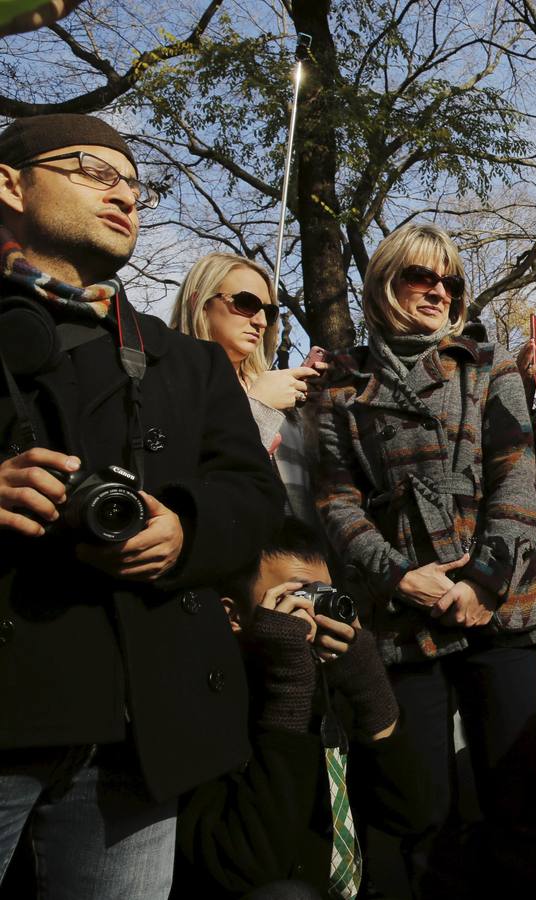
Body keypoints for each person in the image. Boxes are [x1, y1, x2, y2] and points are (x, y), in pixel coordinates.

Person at [0, 113, 283, 896]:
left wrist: (184, 532)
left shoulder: (183, 359)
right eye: (94, 170)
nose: (123, 195)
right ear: (9, 182)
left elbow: (254, 495)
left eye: (135, 184)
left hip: (140, 730)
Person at [309, 222, 536, 895]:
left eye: (449, 279)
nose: (438, 290)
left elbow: (516, 483)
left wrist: (483, 581)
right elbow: (335, 502)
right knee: (418, 804)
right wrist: (395, 573)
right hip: (401, 613)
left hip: (501, 602)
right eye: (420, 275)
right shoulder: (340, 385)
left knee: (517, 794)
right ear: (384, 283)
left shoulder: (488, 366)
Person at [174, 517, 434, 900]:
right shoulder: (197, 702)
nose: (315, 615)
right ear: (233, 615)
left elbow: (410, 814)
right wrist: (288, 689)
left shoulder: (331, 678)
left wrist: (370, 686)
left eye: (322, 595)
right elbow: (243, 867)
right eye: (294, 597)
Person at [168, 252, 324, 521]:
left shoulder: (279, 387)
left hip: (299, 553)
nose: (261, 322)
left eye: (269, 311)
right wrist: (257, 408)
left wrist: (320, 413)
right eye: (246, 303)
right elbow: (180, 481)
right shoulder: (164, 382)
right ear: (200, 302)